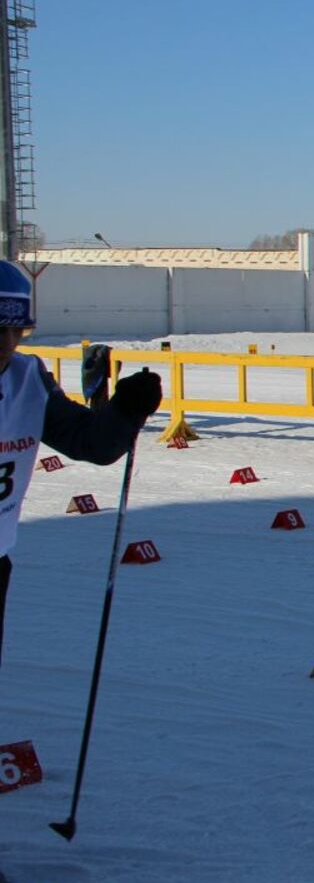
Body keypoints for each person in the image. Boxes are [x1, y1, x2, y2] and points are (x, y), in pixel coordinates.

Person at [0, 260, 164, 670]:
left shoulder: (27, 378)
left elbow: (89, 441)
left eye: (15, 331)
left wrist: (125, 411)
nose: (5, 343)